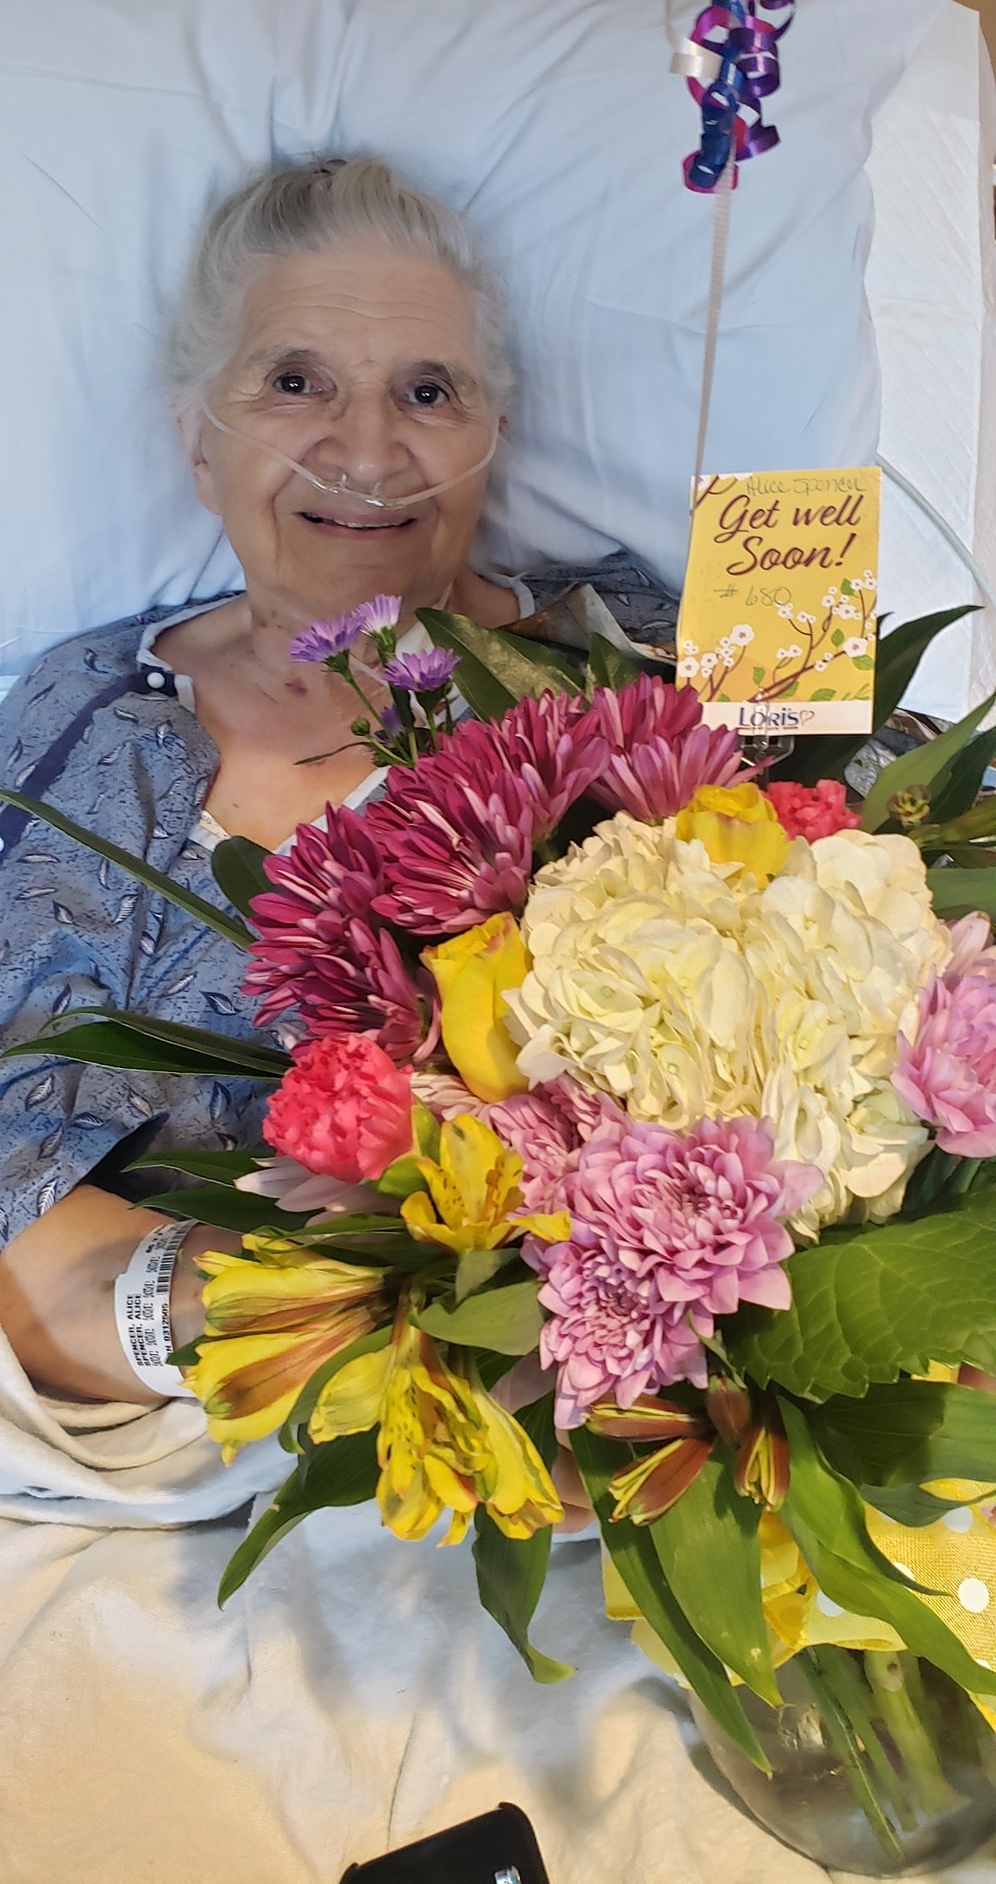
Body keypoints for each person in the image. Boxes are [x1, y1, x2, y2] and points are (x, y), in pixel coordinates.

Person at [0, 156, 676, 1418]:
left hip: (634, 1405)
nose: (367, 450)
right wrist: (371, 1342)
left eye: (428, 391)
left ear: (494, 435)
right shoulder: (83, 721)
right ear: (196, 437)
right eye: (294, 382)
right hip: (197, 1421)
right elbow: (15, 1219)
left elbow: (903, 938)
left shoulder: (645, 671)